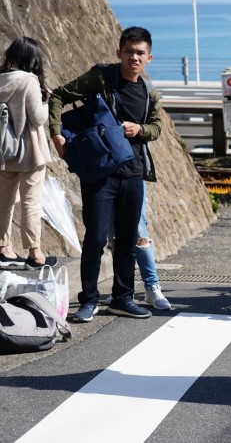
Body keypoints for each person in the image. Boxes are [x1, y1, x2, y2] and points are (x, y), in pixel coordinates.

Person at [48, 26, 162, 322]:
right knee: (96, 238)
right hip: (100, 173)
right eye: (128, 52)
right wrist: (56, 136)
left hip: (134, 173)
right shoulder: (101, 78)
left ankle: (123, 298)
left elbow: (156, 128)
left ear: (149, 57)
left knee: (128, 239)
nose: (133, 58)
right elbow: (58, 96)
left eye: (139, 53)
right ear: (118, 53)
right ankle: (88, 300)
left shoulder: (150, 93)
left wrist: (141, 130)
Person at [0, 37, 57, 270]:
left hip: (4, 151)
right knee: (31, 202)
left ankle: (3, 248)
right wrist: (47, 100)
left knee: (3, 202)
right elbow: (38, 118)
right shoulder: (29, 81)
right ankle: (35, 253)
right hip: (30, 151)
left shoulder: (1, 79)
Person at [106, 184, 171, 310]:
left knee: (139, 233)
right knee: (114, 237)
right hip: (104, 175)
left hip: (132, 173)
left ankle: (152, 287)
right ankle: (123, 289)